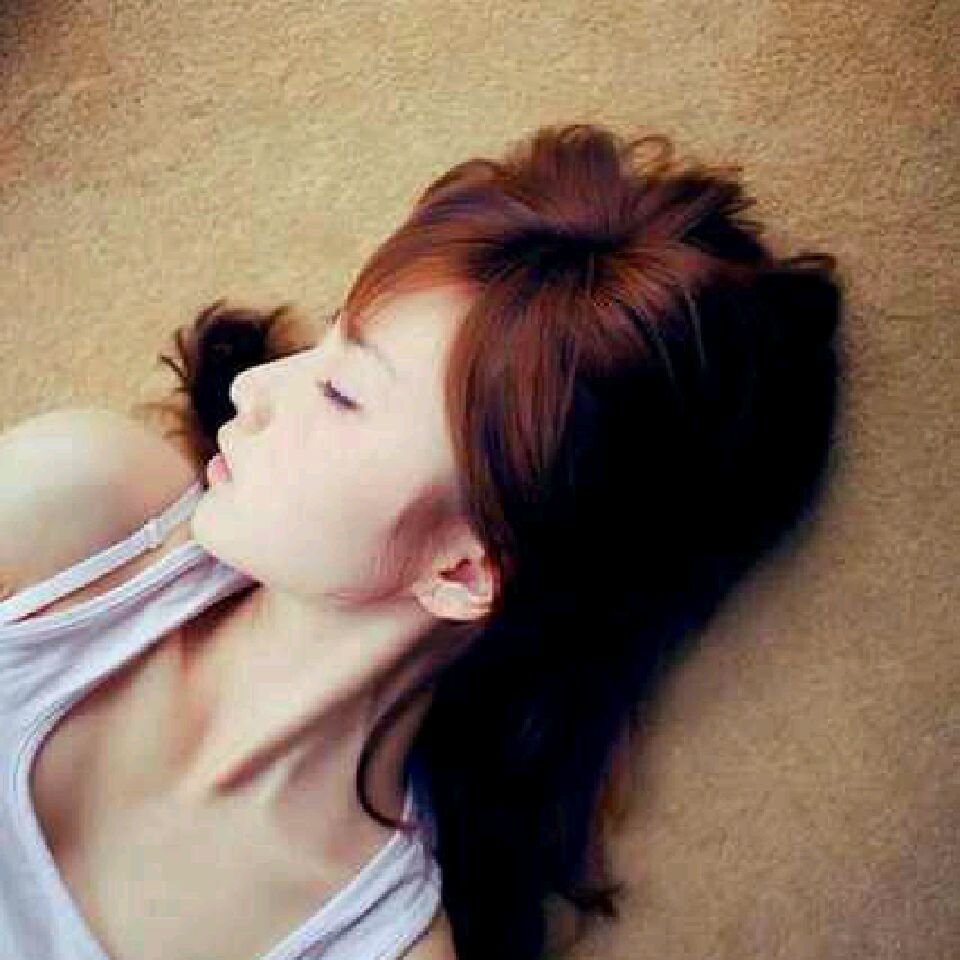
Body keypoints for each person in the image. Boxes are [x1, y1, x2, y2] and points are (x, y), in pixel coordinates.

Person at [3, 121, 845, 960]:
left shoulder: (377, 948)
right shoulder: (83, 510)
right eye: (328, 336)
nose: (255, 389)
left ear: (464, 569)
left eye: (342, 392)